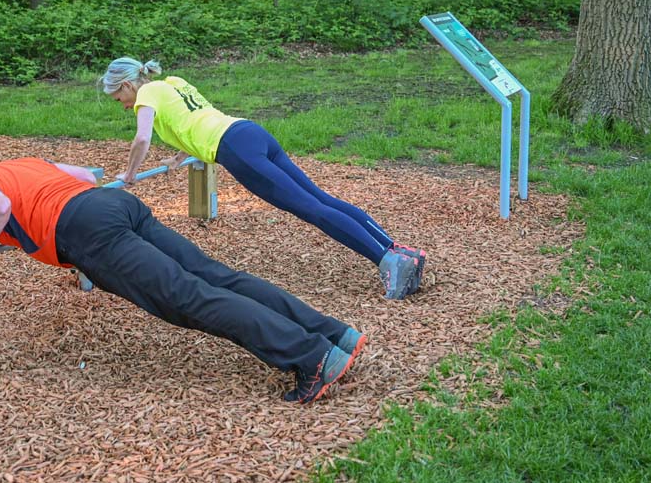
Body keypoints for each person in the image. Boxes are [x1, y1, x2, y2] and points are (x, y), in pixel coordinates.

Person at [0, 157, 366, 404]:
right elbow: (83, 175)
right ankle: (333, 333)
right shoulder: (7, 166)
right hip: (114, 205)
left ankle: (312, 357)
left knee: (191, 298)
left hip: (88, 232)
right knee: (215, 277)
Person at [100, 57, 426, 300]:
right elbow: (196, 120)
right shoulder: (173, 83)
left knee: (311, 209)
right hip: (249, 132)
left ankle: (387, 261)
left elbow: (141, 139)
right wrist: (179, 156)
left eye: (119, 98)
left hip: (235, 149)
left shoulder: (146, 95)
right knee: (321, 199)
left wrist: (129, 174)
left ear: (127, 85)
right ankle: (398, 251)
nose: (123, 106)